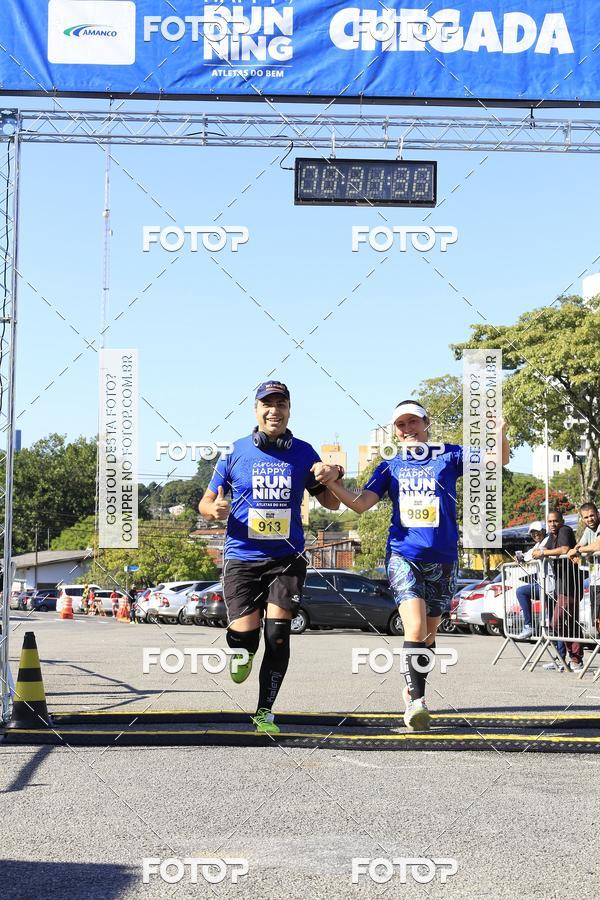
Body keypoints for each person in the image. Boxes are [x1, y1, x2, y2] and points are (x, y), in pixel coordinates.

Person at [325, 399, 509, 731]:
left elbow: (498, 460)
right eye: (401, 425)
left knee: (429, 633)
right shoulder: (389, 465)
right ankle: (417, 702)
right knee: (415, 629)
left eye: (413, 422)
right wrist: (333, 484)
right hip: (403, 555)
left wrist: (500, 432)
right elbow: (361, 504)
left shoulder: (449, 455)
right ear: (395, 431)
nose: (408, 430)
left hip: (443, 558)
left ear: (426, 424)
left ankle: (412, 686)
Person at [198, 381, 341, 735]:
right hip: (242, 557)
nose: (274, 410)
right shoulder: (235, 452)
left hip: (287, 558)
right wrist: (213, 510)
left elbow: (332, 503)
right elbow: (205, 502)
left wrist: (334, 474)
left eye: (281, 403)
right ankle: (240, 649)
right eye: (268, 404)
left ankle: (264, 712)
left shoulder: (305, 453)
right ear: (256, 410)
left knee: (278, 636)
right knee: (245, 636)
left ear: (290, 410)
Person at [533, 510, 583, 671]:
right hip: (561, 586)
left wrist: (541, 553)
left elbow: (564, 549)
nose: (552, 524)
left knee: (556, 622)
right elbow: (539, 551)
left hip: (571, 586)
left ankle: (574, 658)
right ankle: (573, 659)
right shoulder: (551, 536)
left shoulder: (565, 530)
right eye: (549, 521)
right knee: (570, 624)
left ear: (561, 520)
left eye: (555, 521)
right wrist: (536, 552)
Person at [514, 521, 550, 640]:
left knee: (554, 624)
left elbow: (534, 555)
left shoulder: (547, 539)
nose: (535, 534)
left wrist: (525, 557)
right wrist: (520, 557)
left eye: (537, 531)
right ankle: (528, 625)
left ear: (544, 531)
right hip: (542, 583)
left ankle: (561, 656)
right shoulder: (538, 543)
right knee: (521, 591)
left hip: (550, 585)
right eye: (533, 533)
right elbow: (529, 554)